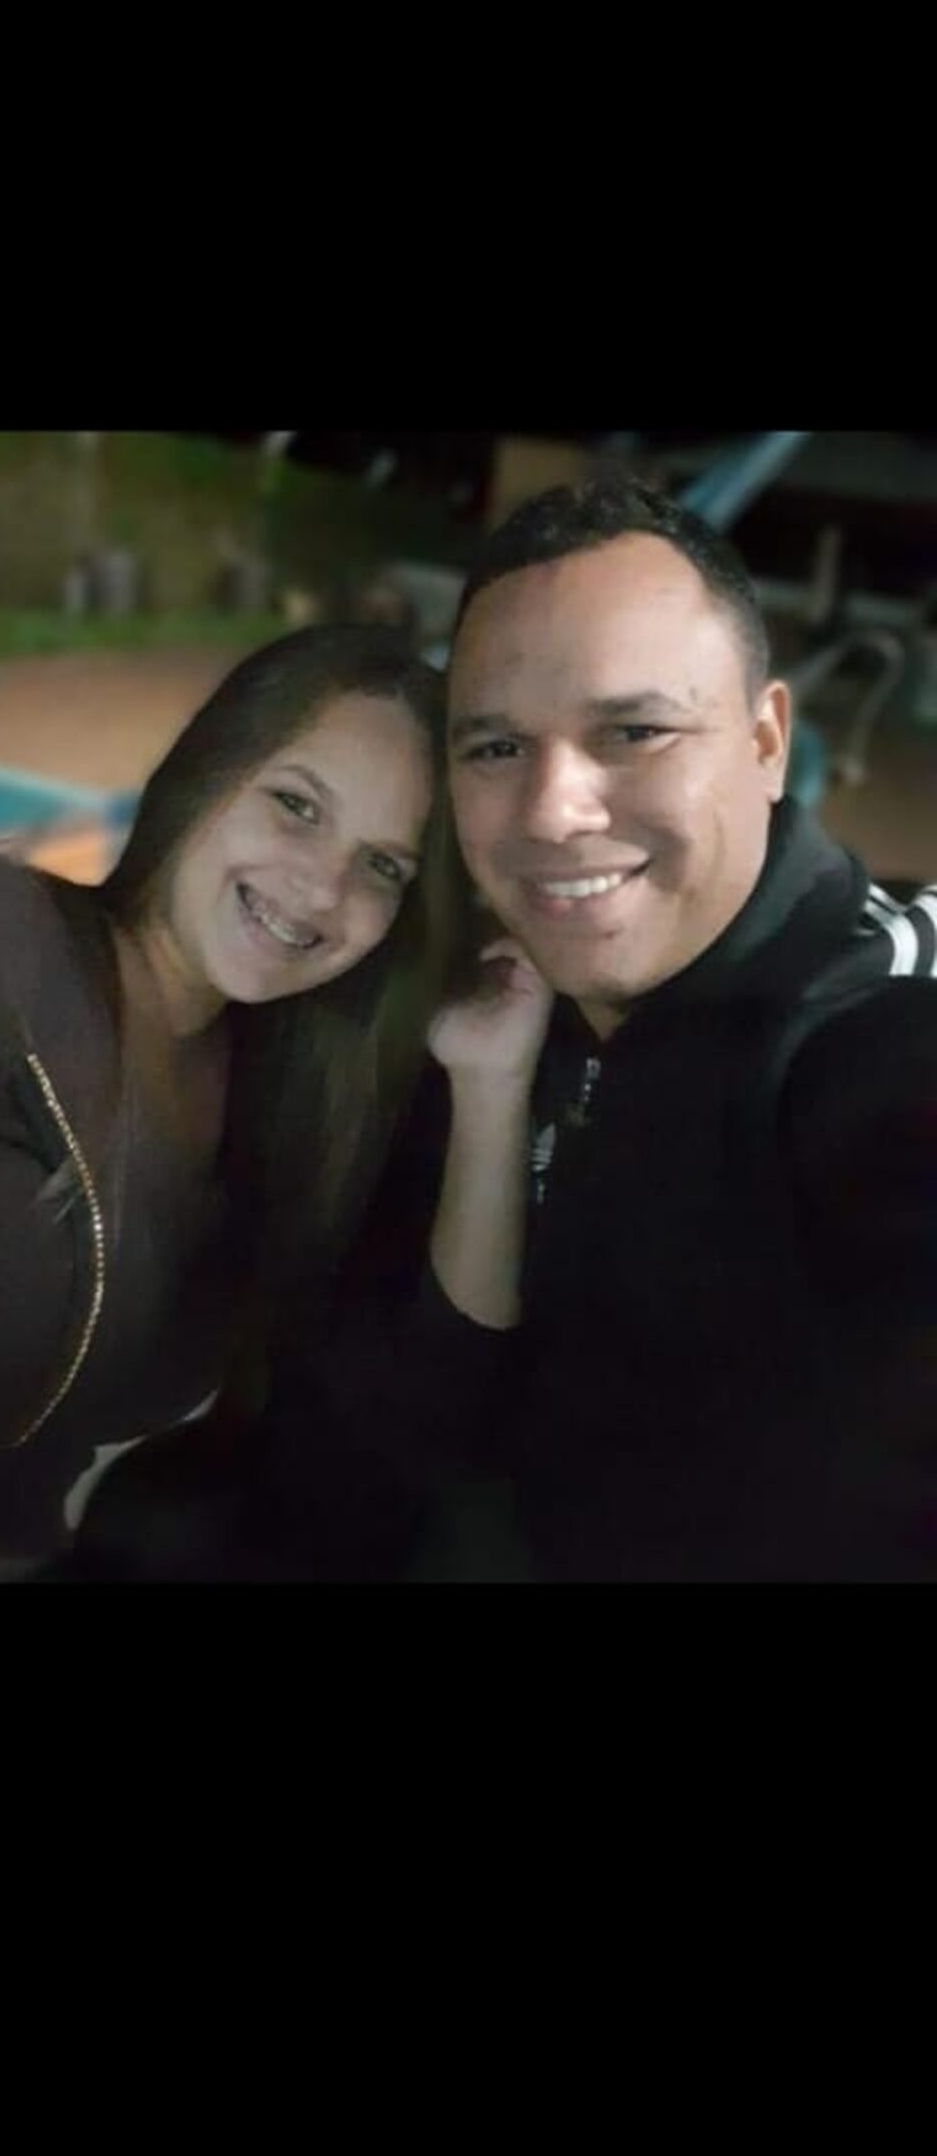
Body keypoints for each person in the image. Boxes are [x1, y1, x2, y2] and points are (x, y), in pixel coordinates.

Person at [214, 478, 937, 1584]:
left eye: (635, 731)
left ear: (766, 741)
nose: (553, 812)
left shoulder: (865, 1035)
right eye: (496, 748)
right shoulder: (469, 977)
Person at [0, 625, 455, 1583]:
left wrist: (492, 1078)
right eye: (297, 805)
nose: (322, 888)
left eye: (383, 865)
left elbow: (435, 1373)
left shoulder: (275, 1105)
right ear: (208, 771)